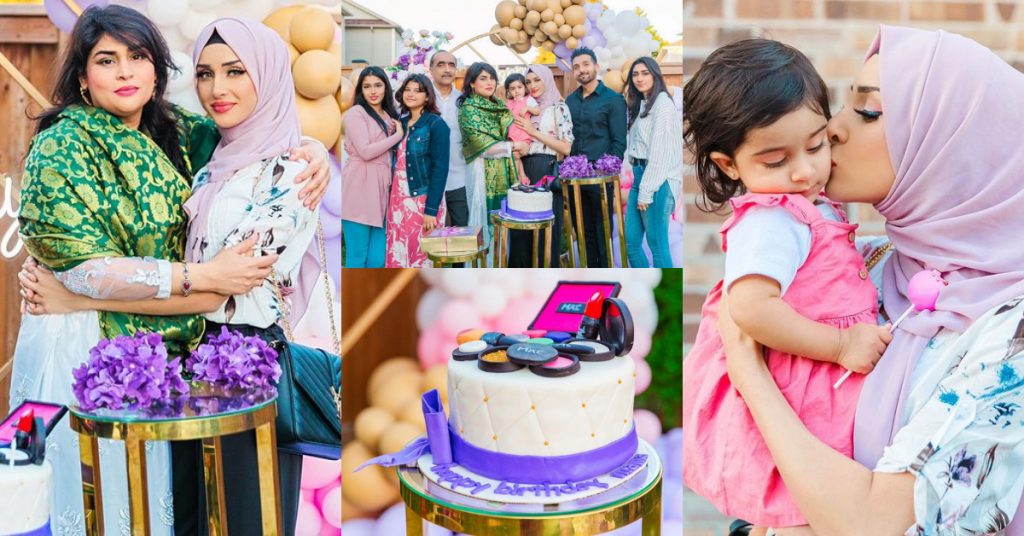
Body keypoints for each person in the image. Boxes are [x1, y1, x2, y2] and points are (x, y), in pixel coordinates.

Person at [11, 6, 328, 535]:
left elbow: (251, 135)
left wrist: (313, 147)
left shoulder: (179, 135)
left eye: (138, 56)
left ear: (158, 68)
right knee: (100, 506)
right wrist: (199, 278)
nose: (126, 72)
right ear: (84, 78)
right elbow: (83, 269)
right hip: (86, 347)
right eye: (106, 60)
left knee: (178, 511)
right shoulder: (63, 143)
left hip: (180, 352)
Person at [711, 26, 1024, 535]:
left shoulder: (1012, 333)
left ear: (949, 147)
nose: (832, 130)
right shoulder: (868, 263)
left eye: (869, 111)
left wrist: (748, 371)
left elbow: (877, 525)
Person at [681, 38, 893, 536]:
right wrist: (840, 343)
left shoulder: (803, 206)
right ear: (730, 165)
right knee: (800, 512)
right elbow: (752, 309)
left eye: (816, 145)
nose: (803, 171)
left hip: (811, 380)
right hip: (796, 384)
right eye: (776, 161)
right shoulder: (771, 219)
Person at [564, 47, 627, 267]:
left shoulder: (613, 100)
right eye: (576, 67)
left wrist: (607, 171)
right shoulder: (570, 101)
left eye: (585, 64)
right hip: (574, 178)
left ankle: (606, 271)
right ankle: (590, 270)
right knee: (583, 231)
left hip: (601, 179)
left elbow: (619, 142)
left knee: (602, 232)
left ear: (596, 67)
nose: (581, 70)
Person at [507, 64, 573, 267]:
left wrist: (534, 133)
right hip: (522, 172)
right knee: (520, 234)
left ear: (547, 79)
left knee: (546, 235)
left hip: (546, 172)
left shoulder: (558, 108)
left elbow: (566, 147)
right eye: (528, 82)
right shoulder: (524, 107)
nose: (533, 85)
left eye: (537, 80)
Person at [386, 73, 450, 267]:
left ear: (427, 96)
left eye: (418, 90)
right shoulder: (401, 124)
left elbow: (441, 169)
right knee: (397, 252)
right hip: (397, 199)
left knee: (420, 255)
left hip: (421, 199)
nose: (411, 94)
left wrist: (431, 210)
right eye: (407, 89)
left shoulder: (436, 125)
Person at [623, 57, 682, 268]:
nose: (639, 78)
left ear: (655, 75)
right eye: (635, 74)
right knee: (631, 243)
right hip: (640, 175)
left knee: (657, 245)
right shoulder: (642, 104)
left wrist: (646, 191)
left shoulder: (663, 104)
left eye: (645, 73)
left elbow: (660, 153)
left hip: (658, 181)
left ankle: (669, 296)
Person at [341, 66, 403, 267]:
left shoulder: (389, 115)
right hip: (359, 188)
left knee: (378, 259)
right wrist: (397, 136)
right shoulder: (355, 113)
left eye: (377, 85)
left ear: (386, 87)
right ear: (361, 90)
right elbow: (366, 151)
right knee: (357, 257)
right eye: (367, 86)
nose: (373, 91)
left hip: (382, 193)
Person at [457, 62, 516, 252]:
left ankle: (502, 264)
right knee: (482, 218)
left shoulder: (498, 105)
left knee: (503, 222)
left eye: (492, 78)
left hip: (503, 169)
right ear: (472, 84)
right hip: (481, 169)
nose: (489, 82)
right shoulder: (469, 108)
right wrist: (513, 147)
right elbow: (481, 146)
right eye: (483, 78)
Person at [429, 50, 468, 228]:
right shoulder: (422, 97)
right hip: (428, 180)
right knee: (430, 237)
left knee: (461, 234)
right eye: (441, 64)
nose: (447, 69)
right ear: (431, 69)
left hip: (460, 177)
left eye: (451, 65)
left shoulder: (464, 101)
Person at [502, 72, 539, 186]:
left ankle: (520, 178)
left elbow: (537, 110)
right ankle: (521, 178)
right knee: (515, 156)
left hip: (523, 135)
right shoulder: (509, 103)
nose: (516, 91)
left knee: (516, 156)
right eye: (512, 89)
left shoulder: (528, 100)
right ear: (508, 91)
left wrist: (528, 108)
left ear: (524, 87)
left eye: (519, 87)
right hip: (512, 136)